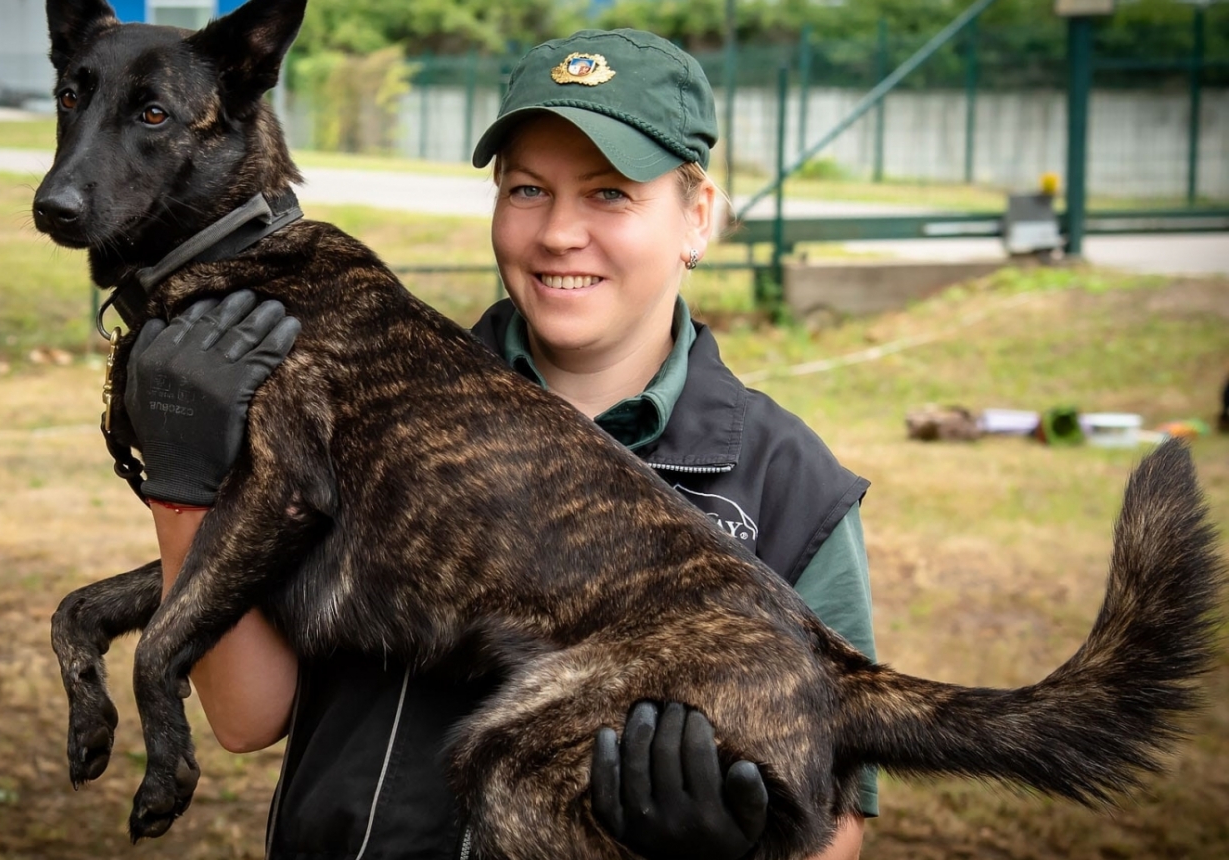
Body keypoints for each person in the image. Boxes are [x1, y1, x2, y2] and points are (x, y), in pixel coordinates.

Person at [123, 28, 876, 860]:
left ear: (696, 217)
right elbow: (247, 716)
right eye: (526, 190)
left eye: (610, 194)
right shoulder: (367, 392)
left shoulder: (787, 482)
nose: (559, 232)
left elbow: (838, 823)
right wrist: (185, 484)